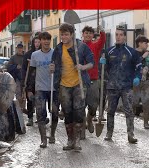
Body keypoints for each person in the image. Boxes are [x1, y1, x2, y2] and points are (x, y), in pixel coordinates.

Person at [49, 23, 94, 151]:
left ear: (72, 35)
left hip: (78, 84)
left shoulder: (81, 47)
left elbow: (92, 62)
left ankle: (78, 141)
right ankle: (70, 140)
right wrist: (51, 68)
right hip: (63, 85)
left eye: (66, 34)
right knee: (67, 113)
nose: (63, 37)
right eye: (62, 34)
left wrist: (82, 67)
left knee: (79, 112)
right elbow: (53, 66)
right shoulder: (58, 49)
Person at [100, 25, 142, 143]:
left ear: (125, 36)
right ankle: (109, 133)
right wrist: (102, 63)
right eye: (116, 35)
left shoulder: (132, 52)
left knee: (128, 111)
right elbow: (104, 69)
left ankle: (130, 134)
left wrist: (137, 77)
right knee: (110, 111)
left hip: (126, 86)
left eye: (121, 35)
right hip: (112, 86)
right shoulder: (109, 51)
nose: (118, 37)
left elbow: (139, 67)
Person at [26, 32, 59, 148]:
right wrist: (29, 89)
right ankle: (43, 139)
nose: (46, 42)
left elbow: (61, 70)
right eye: (44, 40)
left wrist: (56, 69)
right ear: (40, 41)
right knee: (40, 114)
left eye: (48, 40)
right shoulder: (35, 55)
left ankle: (52, 134)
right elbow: (32, 73)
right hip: (40, 88)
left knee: (54, 113)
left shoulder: (56, 54)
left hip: (53, 88)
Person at [81, 25, 106, 139]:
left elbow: (102, 41)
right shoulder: (79, 47)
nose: (88, 35)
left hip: (93, 79)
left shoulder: (95, 46)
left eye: (90, 33)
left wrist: (102, 31)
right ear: (83, 34)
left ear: (92, 35)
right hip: (80, 80)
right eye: (86, 33)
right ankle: (81, 129)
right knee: (80, 106)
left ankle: (89, 119)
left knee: (93, 105)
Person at [133, 35, 149, 129]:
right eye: (145, 43)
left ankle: (146, 122)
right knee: (134, 102)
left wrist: (148, 68)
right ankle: (131, 121)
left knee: (146, 102)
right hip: (135, 82)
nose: (147, 45)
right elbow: (132, 65)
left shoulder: (148, 53)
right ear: (139, 43)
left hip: (145, 82)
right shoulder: (133, 53)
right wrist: (142, 57)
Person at [22, 36, 41, 126]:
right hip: (30, 80)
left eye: (38, 42)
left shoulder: (42, 53)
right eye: (35, 42)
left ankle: (40, 117)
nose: (37, 44)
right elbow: (24, 68)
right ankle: (30, 118)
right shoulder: (28, 54)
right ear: (33, 43)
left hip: (40, 79)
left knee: (39, 99)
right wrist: (23, 81)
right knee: (30, 99)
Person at [8, 43, 25, 110]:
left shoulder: (25, 57)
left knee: (24, 94)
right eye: (18, 48)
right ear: (16, 49)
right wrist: (15, 67)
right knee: (18, 93)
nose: (19, 49)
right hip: (17, 78)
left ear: (22, 49)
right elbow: (9, 67)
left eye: (21, 48)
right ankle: (18, 108)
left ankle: (22, 108)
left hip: (25, 78)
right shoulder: (13, 58)